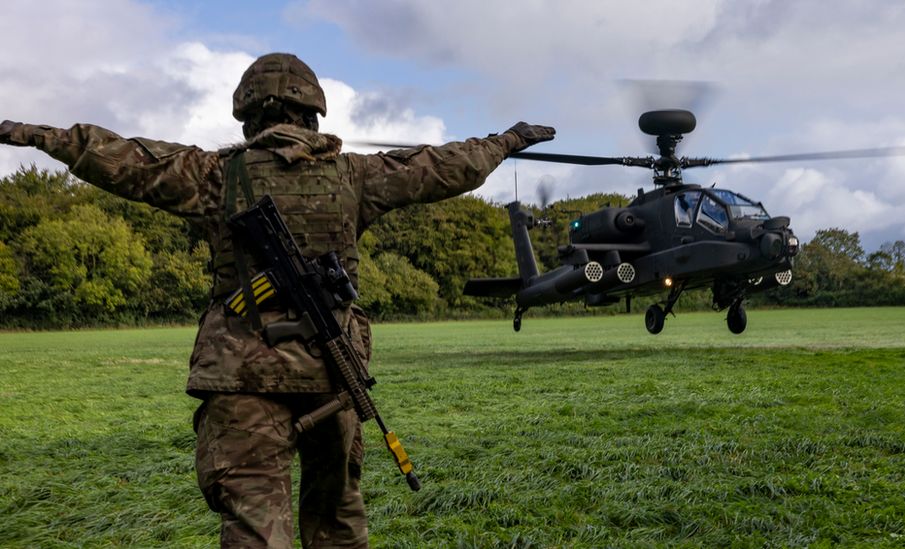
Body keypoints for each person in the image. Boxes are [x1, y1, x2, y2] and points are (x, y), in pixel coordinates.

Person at [0, 52, 554, 548]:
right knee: (336, 521)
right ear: (314, 112)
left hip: (241, 378)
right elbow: (443, 166)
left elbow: (117, 156)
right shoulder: (356, 175)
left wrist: (30, 134)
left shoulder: (212, 175)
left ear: (247, 116)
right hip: (331, 376)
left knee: (255, 527)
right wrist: (504, 141)